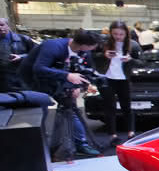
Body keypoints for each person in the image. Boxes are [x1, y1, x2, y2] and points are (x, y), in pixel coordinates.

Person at [32, 29, 102, 158]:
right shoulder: (53, 46)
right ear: (85, 45)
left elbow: (85, 71)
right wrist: (67, 76)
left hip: (60, 82)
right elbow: (39, 68)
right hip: (35, 82)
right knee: (37, 114)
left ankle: (81, 143)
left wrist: (77, 86)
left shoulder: (83, 52)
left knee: (71, 109)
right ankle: (40, 147)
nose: (92, 50)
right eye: (92, 47)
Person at [92, 21, 141, 144]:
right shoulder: (103, 44)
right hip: (106, 77)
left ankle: (131, 132)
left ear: (126, 33)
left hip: (124, 79)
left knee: (127, 106)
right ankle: (112, 135)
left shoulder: (133, 45)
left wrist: (130, 60)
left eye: (121, 34)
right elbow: (91, 56)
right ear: (110, 33)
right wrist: (104, 55)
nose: (118, 36)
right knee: (110, 107)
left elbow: (142, 61)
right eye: (115, 34)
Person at [0, 17, 36, 92]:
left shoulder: (24, 39)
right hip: (4, 78)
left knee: (27, 97)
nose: (0, 27)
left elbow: (36, 54)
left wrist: (21, 57)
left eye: (2, 25)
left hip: (24, 76)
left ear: (8, 25)